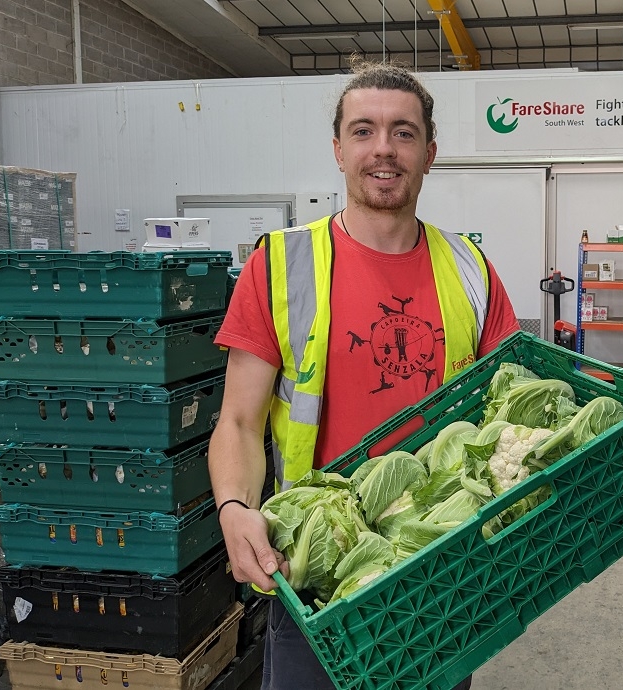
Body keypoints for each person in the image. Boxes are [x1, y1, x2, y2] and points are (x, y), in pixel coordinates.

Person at [209, 56, 521, 690]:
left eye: (404, 132)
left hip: (437, 574)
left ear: (430, 151)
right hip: (316, 570)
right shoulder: (280, 265)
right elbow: (238, 420)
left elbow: (514, 410)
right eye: (364, 130)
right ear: (337, 148)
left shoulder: (472, 271)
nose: (385, 149)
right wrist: (235, 507)